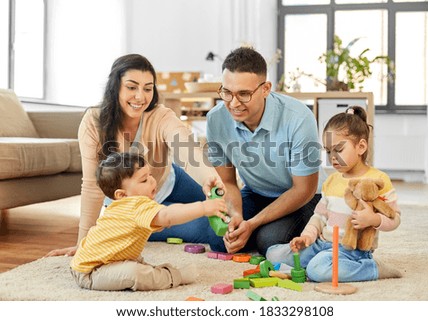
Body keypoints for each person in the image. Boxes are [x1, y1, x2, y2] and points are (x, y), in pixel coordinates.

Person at [47, 54, 223, 257]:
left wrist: (209, 176)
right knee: (208, 228)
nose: (140, 97)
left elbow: (187, 151)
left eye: (148, 88)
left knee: (225, 206)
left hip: (169, 181)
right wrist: (84, 243)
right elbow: (92, 186)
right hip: (133, 205)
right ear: (115, 87)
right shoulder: (93, 123)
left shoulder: (160, 115)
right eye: (132, 87)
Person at [206, 47, 323, 256]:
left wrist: (252, 224)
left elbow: (303, 189)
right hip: (256, 192)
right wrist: (237, 218)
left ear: (266, 89)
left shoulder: (299, 118)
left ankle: (315, 232)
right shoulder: (216, 119)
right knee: (218, 237)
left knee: (267, 240)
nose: (233, 103)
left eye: (244, 94)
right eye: (227, 92)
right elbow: (229, 182)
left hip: (305, 196)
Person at [266, 106, 402, 282]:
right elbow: (319, 216)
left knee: (318, 271)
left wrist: (374, 220)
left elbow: (395, 219)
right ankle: (317, 262)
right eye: (329, 151)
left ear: (361, 147)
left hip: (351, 251)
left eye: (339, 149)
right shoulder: (331, 181)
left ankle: (372, 268)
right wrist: (307, 236)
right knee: (272, 253)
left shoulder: (378, 179)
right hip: (321, 244)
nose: (332, 157)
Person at [70, 152, 227, 291]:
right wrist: (203, 207)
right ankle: (175, 276)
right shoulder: (135, 205)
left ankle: (153, 270)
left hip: (105, 261)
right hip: (91, 272)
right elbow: (168, 216)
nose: (152, 181)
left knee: (135, 265)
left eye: (150, 175)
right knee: (135, 274)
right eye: (144, 180)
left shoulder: (120, 206)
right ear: (122, 195)